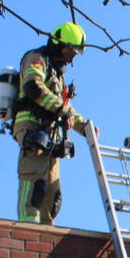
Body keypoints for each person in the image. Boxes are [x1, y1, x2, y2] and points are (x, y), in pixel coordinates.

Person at [12, 21, 92, 225]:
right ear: (59, 43)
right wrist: (62, 111)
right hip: (32, 130)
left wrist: (84, 126)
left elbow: (66, 107)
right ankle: (27, 231)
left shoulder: (57, 74)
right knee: (34, 185)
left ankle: (46, 237)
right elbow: (33, 87)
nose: (71, 56)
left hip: (51, 136)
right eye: (69, 50)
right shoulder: (37, 59)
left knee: (52, 195)